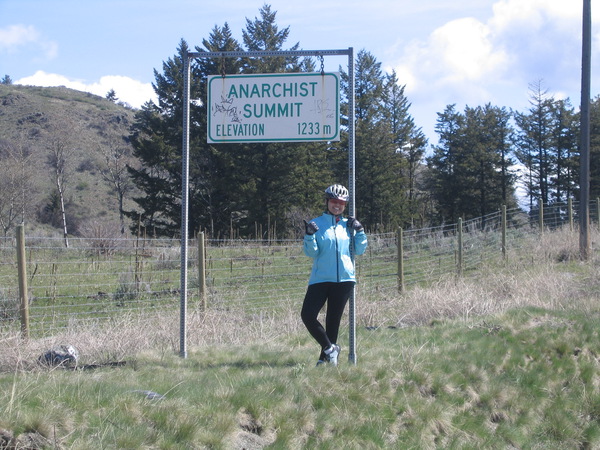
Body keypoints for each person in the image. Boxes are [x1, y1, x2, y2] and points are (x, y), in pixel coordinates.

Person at [301, 184, 368, 366]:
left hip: (344, 280)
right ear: (327, 202)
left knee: (333, 321)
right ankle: (330, 349)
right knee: (307, 315)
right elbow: (311, 253)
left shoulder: (349, 225)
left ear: (345, 205)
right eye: (333, 201)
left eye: (341, 203)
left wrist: (360, 231)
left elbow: (360, 250)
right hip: (321, 279)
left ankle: (324, 361)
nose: (337, 205)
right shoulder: (317, 224)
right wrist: (309, 236)